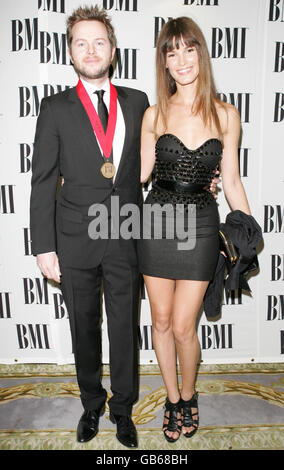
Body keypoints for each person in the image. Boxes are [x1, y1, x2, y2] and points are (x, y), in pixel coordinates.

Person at [30, 5, 150, 448]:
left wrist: (202, 175)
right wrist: (44, 246)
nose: (91, 49)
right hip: (74, 239)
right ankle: (91, 404)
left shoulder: (137, 101)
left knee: (123, 328)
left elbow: (159, 156)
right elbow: (43, 180)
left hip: (125, 235)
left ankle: (123, 410)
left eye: (99, 41)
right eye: (81, 42)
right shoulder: (54, 107)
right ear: (70, 52)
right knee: (84, 328)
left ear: (113, 50)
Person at [138, 17, 251, 443]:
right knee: (161, 322)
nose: (181, 60)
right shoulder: (154, 113)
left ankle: (189, 394)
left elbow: (233, 181)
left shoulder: (226, 114)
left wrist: (248, 236)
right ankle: (172, 400)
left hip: (201, 225)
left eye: (189, 49)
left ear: (201, 54)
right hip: (156, 221)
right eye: (172, 52)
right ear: (164, 61)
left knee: (185, 326)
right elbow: (141, 176)